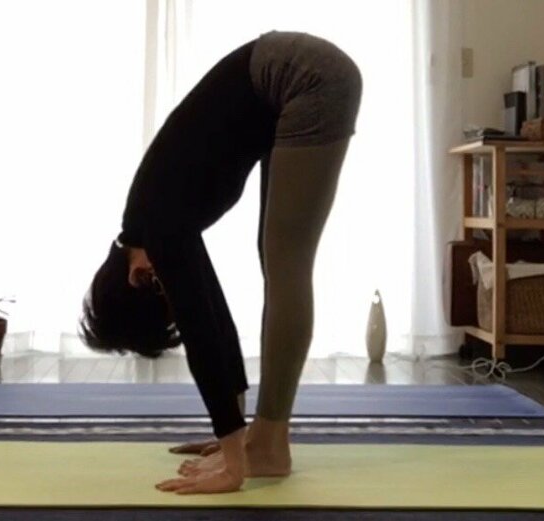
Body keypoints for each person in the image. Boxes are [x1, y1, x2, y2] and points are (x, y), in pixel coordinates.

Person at [80, 30, 362, 495]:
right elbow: (215, 317)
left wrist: (233, 466)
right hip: (287, 89)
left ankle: (269, 446)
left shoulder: (157, 223)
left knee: (287, 265)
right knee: (276, 261)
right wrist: (233, 434)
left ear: (138, 278)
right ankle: (260, 439)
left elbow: (201, 334)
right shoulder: (155, 221)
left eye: (163, 300)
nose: (172, 294)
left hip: (307, 79)